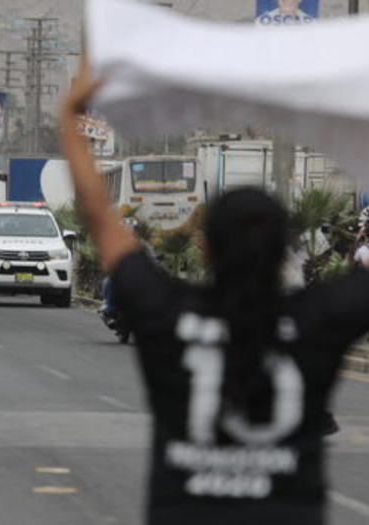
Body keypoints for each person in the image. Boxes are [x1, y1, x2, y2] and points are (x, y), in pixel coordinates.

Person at [61, 62, 369, 525]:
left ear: (205, 246)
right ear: (288, 245)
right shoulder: (318, 321)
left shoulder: (165, 313)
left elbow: (100, 217)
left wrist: (70, 116)